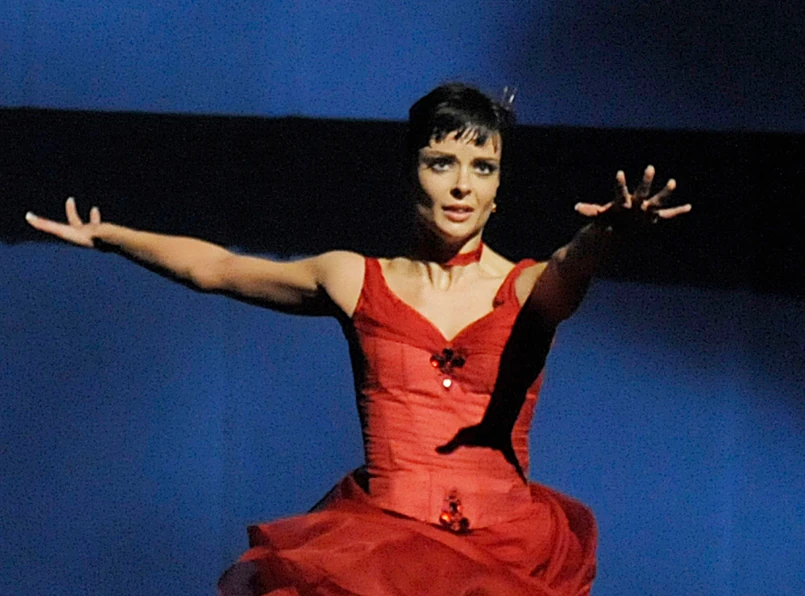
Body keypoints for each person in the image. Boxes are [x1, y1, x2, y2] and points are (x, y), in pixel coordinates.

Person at [26, 83, 691, 596]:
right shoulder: (353, 279)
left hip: (507, 560)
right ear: (412, 173)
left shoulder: (527, 289)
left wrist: (606, 232)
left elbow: (574, 262)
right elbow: (218, 269)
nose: (462, 185)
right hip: (381, 560)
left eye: (482, 167)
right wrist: (112, 237)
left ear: (498, 188)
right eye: (442, 162)